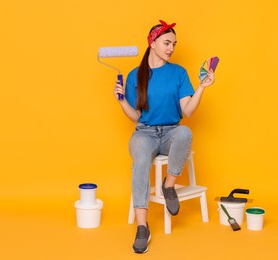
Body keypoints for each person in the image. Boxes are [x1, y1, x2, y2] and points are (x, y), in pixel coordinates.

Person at [113, 20, 215, 254]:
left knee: (185, 132)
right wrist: (121, 101)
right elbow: (135, 116)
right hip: (144, 133)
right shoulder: (134, 76)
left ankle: (169, 185)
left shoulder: (178, 73)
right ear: (152, 43)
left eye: (174, 44)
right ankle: (142, 227)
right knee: (140, 162)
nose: (171, 48)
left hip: (171, 132)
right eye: (167, 43)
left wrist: (202, 87)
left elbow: (187, 112)